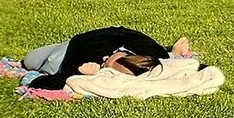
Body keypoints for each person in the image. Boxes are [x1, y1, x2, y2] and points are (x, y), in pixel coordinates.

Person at [23, 28, 190, 91]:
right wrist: (75, 71)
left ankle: (174, 50)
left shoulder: (154, 53)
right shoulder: (88, 56)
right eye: (107, 63)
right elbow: (41, 83)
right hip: (76, 45)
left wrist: (174, 54)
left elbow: (173, 65)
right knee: (32, 61)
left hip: (120, 37)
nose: (105, 64)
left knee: (170, 56)